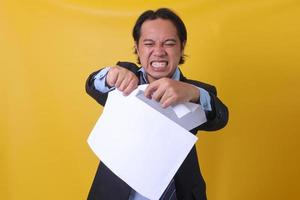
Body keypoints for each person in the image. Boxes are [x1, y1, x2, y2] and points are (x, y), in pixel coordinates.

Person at [86, 8, 228, 200]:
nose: (159, 52)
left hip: (179, 192)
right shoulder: (123, 80)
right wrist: (109, 75)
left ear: (182, 46)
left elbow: (220, 117)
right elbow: (93, 85)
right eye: (149, 43)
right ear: (137, 47)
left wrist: (193, 93)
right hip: (117, 193)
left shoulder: (194, 91)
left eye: (169, 43)